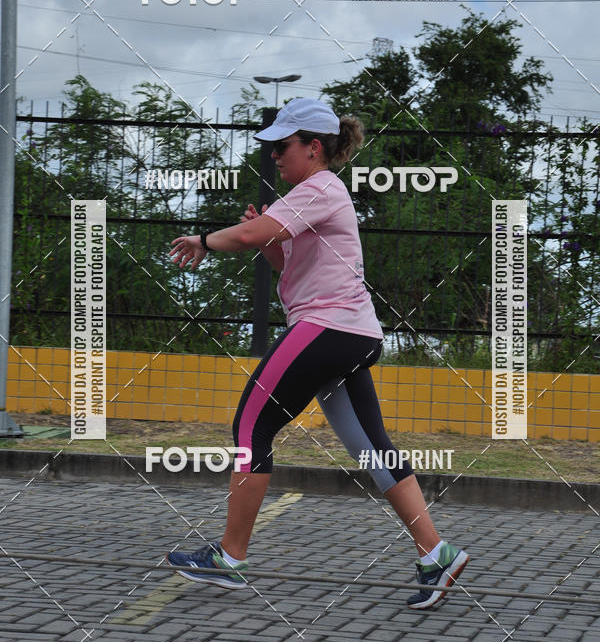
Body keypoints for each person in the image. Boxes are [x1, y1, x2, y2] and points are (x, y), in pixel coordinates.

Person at [166, 97, 468, 609]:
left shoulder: (320, 187)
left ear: (313, 147)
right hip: (352, 333)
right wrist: (267, 240)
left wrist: (204, 239)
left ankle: (230, 558)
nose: (275, 156)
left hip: (328, 328)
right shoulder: (316, 195)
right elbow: (285, 259)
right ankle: (436, 553)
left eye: (282, 146)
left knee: (251, 427)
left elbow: (244, 234)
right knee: (371, 447)